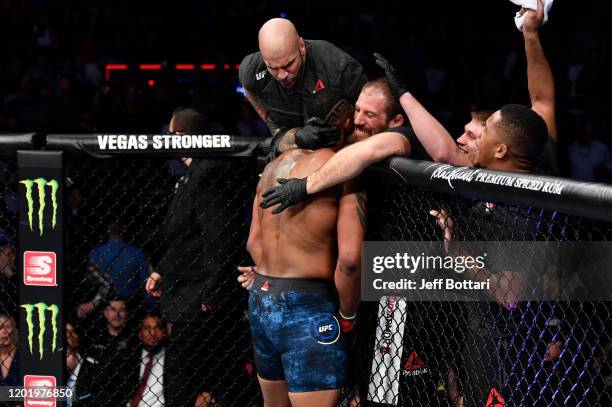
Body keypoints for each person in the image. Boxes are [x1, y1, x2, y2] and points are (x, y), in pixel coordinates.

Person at [259, 0, 559, 212]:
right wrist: (531, 34)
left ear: (501, 150)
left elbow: (512, 299)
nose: (469, 138)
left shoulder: (518, 204)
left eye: (486, 129)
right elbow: (543, 99)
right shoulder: (537, 153)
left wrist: (456, 251)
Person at [246, 87, 365, 406]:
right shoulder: (345, 170)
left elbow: (253, 243)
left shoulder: (274, 166)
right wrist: (348, 314)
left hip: (261, 299)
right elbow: (351, 261)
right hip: (308, 306)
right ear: (347, 119)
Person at [145, 106, 229, 406]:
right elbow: (186, 238)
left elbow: (216, 237)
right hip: (186, 290)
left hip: (198, 297)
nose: (168, 141)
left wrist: (213, 289)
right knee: (183, 377)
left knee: (183, 380)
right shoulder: (191, 174)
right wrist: (162, 270)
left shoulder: (206, 174)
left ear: (185, 136)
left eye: (173, 136)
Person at [239, 18, 367, 158]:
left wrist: (347, 142)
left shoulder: (338, 66)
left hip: (338, 149)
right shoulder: (251, 70)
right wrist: (277, 130)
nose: (282, 75)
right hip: (290, 143)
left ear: (301, 46)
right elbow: (249, 91)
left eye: (288, 65)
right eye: (273, 67)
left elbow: (369, 115)